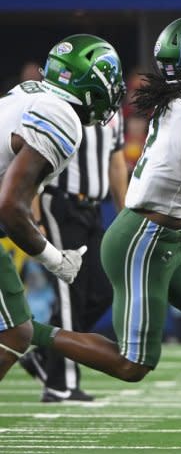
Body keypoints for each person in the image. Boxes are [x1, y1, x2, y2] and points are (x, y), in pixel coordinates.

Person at [25, 15, 181, 452]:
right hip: (145, 238)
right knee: (133, 364)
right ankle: (24, 332)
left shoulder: (180, 102)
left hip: (166, 234)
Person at [0, 34, 124, 380]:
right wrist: (56, 260)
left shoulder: (31, 92)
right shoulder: (61, 118)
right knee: (15, 332)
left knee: (16, 330)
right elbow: (9, 207)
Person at [19, 99, 128, 403]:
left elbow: (116, 162)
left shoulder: (112, 113)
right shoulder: (61, 109)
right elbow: (38, 164)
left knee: (103, 291)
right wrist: (36, 217)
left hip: (93, 208)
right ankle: (60, 383)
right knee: (70, 294)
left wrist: (125, 214)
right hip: (61, 204)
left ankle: (43, 354)